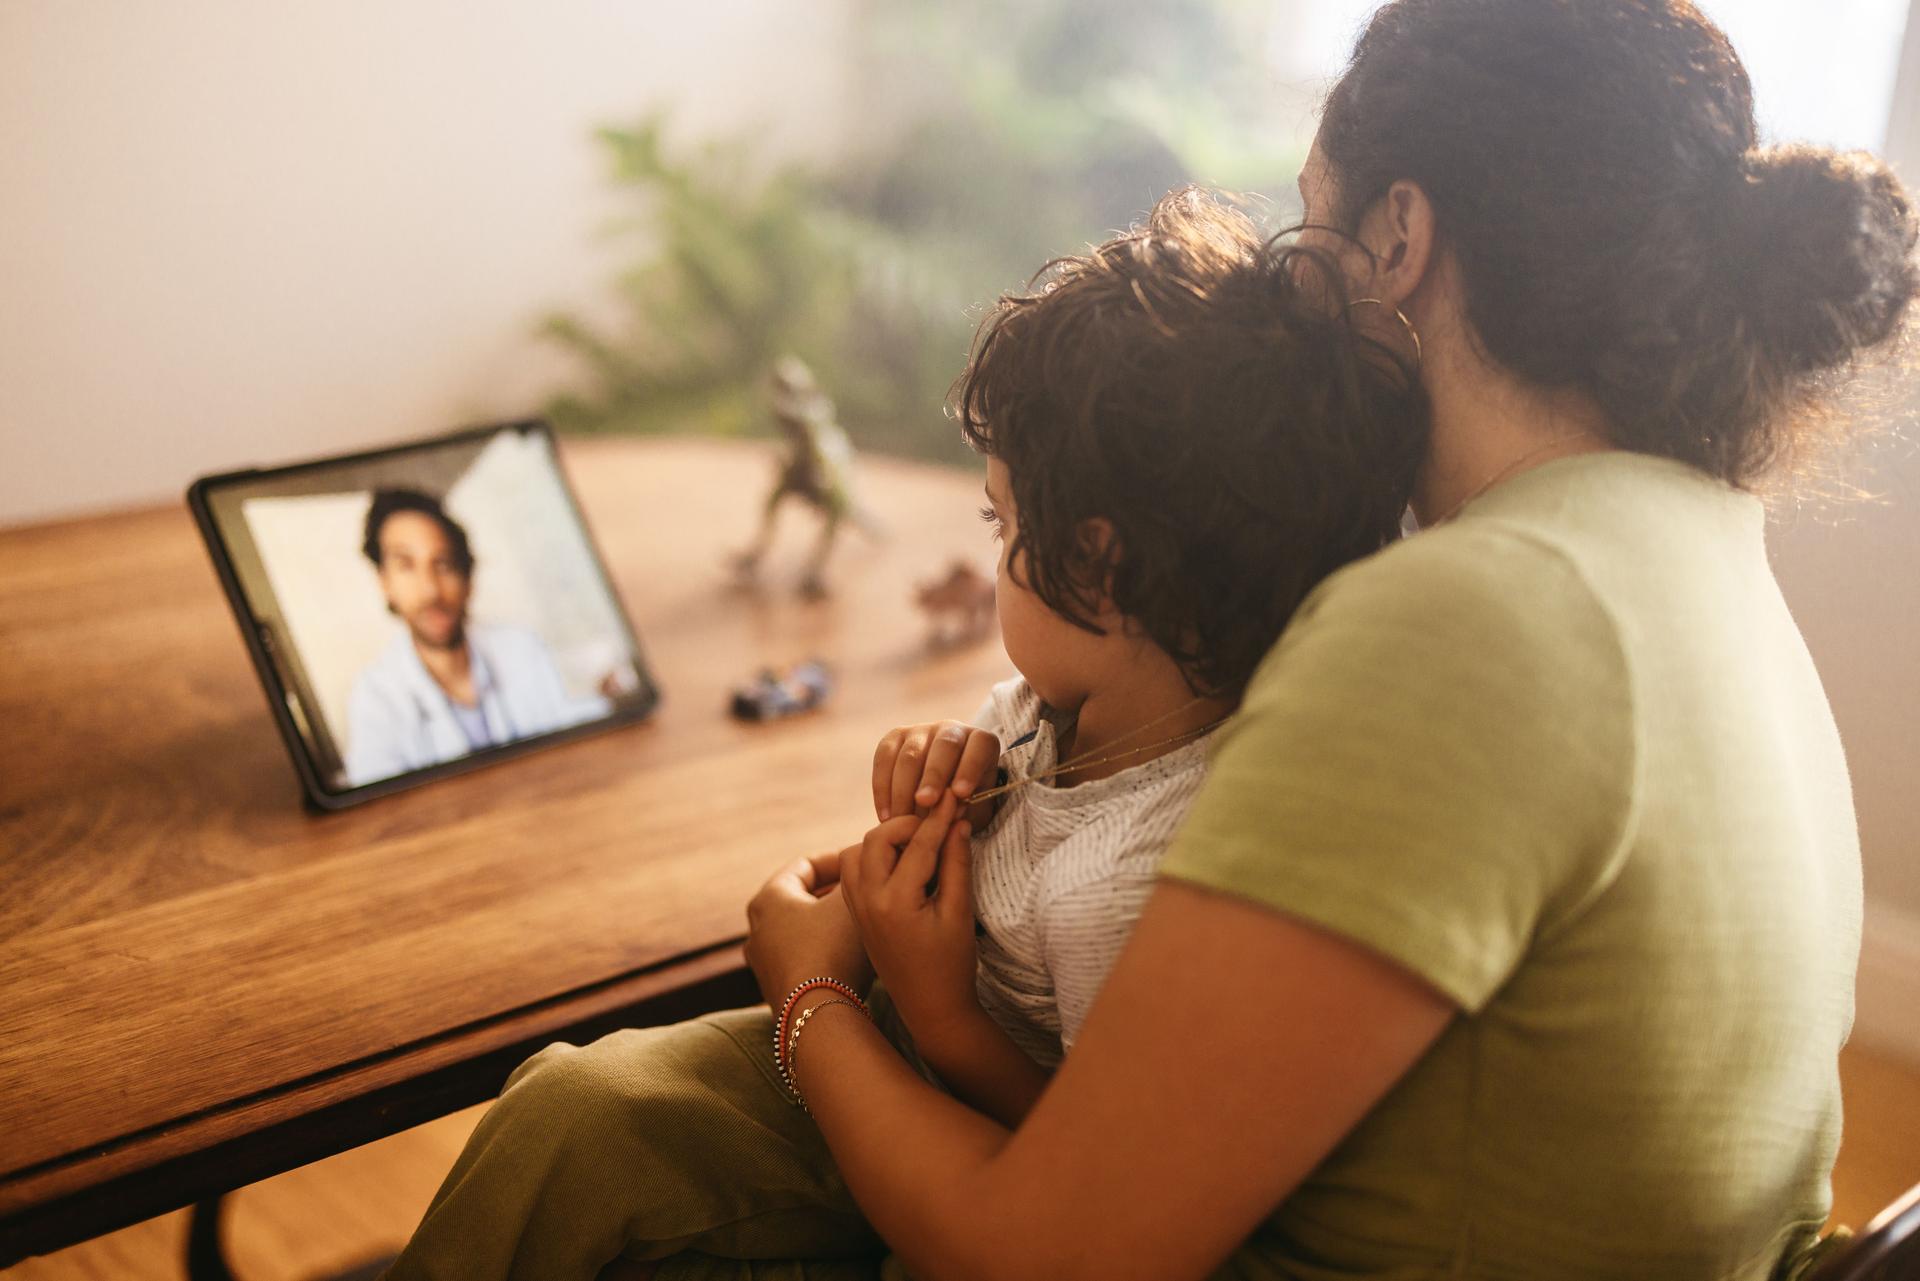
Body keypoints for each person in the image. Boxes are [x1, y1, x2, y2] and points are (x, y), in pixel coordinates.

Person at [732, 3, 1917, 1279]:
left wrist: (809, 1001)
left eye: (1309, 222)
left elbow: (1039, 1255)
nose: (1280, 290)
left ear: (1399, 235)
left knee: (606, 1139)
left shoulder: (1473, 614)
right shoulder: (1700, 539)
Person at [379, 188, 1425, 1279]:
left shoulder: (1138, 883)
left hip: (946, 1115)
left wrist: (904, 1007)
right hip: (890, 1040)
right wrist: (935, 779)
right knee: (568, 1105)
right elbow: (1016, 777)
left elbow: (1084, 1172)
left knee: (585, 1135)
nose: (992, 547)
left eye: (1002, 522)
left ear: (1099, 568)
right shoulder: (1085, 703)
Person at [343, 488, 610, 787]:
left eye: (443, 564)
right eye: (406, 565)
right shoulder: (374, 696)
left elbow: (586, 734)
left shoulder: (521, 648)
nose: (431, 590)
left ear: (467, 578)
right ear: (384, 583)